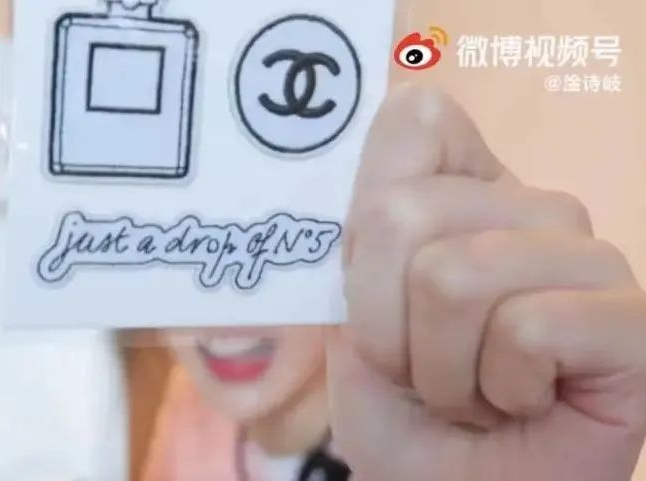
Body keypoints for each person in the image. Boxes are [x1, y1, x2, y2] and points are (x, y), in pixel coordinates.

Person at [141, 84, 646, 481]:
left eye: (268, 243)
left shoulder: (446, 445)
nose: (223, 309)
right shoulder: (187, 417)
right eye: (185, 244)